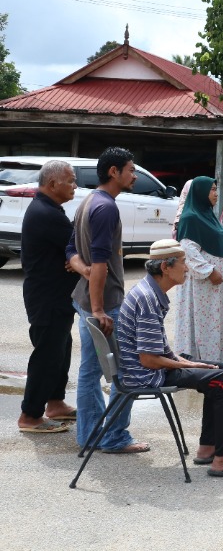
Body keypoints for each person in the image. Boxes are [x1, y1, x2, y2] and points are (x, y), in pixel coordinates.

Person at [115, 239, 223, 477]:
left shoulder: (149, 291)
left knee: (216, 373)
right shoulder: (148, 299)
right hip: (147, 375)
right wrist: (186, 364)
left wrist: (190, 363)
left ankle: (208, 448)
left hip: (148, 370)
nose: (187, 267)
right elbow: (149, 360)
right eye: (183, 262)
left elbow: (159, 351)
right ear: (165, 267)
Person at [66, 146, 148, 454]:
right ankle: (114, 437)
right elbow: (99, 261)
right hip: (102, 304)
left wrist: (84, 271)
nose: (134, 176)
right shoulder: (105, 207)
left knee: (90, 371)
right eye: (131, 170)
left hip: (87, 300)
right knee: (125, 372)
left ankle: (90, 435)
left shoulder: (89, 201)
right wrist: (100, 308)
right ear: (114, 172)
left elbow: (71, 251)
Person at [18, 161, 85, 433]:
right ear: (53, 184)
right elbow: (80, 248)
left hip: (56, 296)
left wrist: (72, 260)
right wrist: (74, 260)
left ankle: (55, 402)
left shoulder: (50, 209)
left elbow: (72, 251)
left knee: (62, 348)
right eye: (70, 180)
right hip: (47, 297)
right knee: (47, 355)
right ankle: (30, 415)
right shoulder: (46, 213)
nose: (74, 186)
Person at [174, 176, 223, 366]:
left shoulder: (209, 216)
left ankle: (218, 357)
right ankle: (202, 358)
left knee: (216, 319)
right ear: (200, 192)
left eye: (216, 189)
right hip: (203, 284)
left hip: (215, 286)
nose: (216, 193)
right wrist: (210, 271)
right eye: (211, 189)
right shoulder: (190, 218)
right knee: (204, 320)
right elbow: (188, 250)